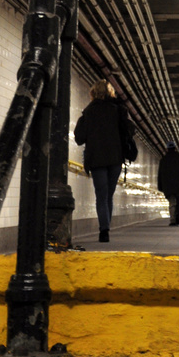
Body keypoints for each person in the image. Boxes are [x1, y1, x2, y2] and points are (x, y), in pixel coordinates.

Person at [73, 78, 128, 243]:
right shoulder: (118, 110)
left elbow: (79, 138)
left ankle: (104, 230)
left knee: (101, 196)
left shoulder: (88, 112)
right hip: (115, 158)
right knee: (108, 195)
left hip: (97, 159)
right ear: (110, 93)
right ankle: (106, 227)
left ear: (93, 94)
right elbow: (128, 131)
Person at [157, 141, 179, 225]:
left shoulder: (163, 160)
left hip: (168, 186)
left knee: (172, 202)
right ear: (175, 148)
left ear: (167, 149)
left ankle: (173, 220)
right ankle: (178, 218)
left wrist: (160, 186)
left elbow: (160, 174)